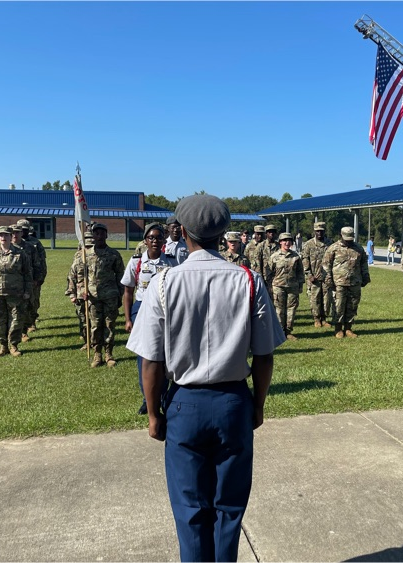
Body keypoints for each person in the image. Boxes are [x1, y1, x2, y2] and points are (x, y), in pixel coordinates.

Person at [127, 194, 285, 562]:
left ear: (181, 232)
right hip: (233, 402)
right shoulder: (249, 280)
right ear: (222, 234)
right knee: (228, 509)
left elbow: (151, 361)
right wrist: (257, 405)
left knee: (190, 510)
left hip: (185, 403)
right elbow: (264, 356)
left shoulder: (164, 283)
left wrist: (153, 414)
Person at [122, 223, 176, 414]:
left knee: (167, 354)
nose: (155, 241)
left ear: (164, 241)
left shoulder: (171, 262)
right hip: (142, 309)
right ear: (145, 241)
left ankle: (164, 395)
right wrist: (128, 318)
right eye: (151, 238)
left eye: (159, 238)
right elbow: (128, 291)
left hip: (165, 310)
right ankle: (148, 398)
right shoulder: (136, 262)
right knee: (145, 355)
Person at [75, 223, 126, 368]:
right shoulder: (85, 255)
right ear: (93, 236)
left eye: (102, 233)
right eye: (96, 233)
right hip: (92, 296)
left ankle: (109, 354)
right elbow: (80, 275)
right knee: (95, 326)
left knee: (109, 325)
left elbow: (121, 275)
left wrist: (119, 294)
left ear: (106, 235)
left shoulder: (114, 254)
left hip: (110, 295)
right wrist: (81, 292)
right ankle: (97, 354)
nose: (99, 236)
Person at [0, 226, 32, 357]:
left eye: (6, 235)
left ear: (10, 236)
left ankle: (13, 345)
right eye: (1, 235)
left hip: (16, 293)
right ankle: (3, 346)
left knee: (16, 320)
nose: (3, 237)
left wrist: (27, 291)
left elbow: (28, 274)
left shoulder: (20, 253)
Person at [323, 226, 371, 338]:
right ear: (341, 236)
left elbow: (364, 263)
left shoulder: (358, 248)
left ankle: (348, 328)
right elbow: (326, 265)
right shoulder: (333, 248)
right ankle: (338, 328)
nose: (349, 241)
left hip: (355, 282)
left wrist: (365, 276)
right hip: (338, 283)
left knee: (352, 306)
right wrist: (329, 280)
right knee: (338, 306)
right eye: (346, 238)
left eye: (350, 238)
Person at [268, 232, 305, 340]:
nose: (287, 242)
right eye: (284, 240)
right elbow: (269, 272)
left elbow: (300, 272)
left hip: (292, 286)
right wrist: (270, 286)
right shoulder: (274, 256)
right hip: (278, 286)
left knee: (291, 309)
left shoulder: (295, 257)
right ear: (280, 242)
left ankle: (288, 331)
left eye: (289, 240)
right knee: (279, 310)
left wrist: (300, 284)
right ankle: (280, 332)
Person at [66, 232, 96, 349]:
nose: (88, 250)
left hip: (94, 295)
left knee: (95, 320)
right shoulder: (78, 259)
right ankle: (87, 341)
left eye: (90, 247)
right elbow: (71, 277)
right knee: (83, 320)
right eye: (86, 247)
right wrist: (72, 294)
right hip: (80, 295)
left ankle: (96, 342)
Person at [9, 224, 38, 343]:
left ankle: (24, 331)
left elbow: (38, 264)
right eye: (13, 233)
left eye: (17, 232)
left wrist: (37, 280)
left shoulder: (30, 247)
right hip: (8, 286)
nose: (15, 235)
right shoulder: (5, 247)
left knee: (26, 309)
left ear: (22, 233)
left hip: (26, 284)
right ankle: (12, 334)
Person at [17, 220, 47, 332]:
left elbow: (42, 262)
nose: (22, 231)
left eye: (24, 229)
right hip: (19, 280)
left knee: (33, 302)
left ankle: (32, 322)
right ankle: (21, 326)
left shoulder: (35, 243)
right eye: (20, 229)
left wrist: (40, 279)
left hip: (33, 279)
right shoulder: (13, 242)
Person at [302, 221, 333, 328]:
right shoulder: (308, 244)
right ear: (314, 232)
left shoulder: (330, 244)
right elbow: (305, 260)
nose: (319, 233)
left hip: (326, 277)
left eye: (321, 231)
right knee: (314, 299)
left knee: (326, 299)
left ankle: (324, 319)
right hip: (313, 277)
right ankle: (316, 319)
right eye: (317, 231)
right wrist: (309, 274)